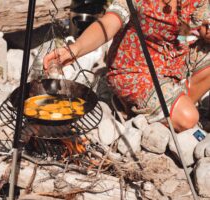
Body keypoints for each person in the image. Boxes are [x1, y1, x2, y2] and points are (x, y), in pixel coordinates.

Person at [43, 0, 210, 132]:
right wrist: (75, 49)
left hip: (174, 58)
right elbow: (110, 22)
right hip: (136, 68)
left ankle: (172, 103)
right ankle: (137, 109)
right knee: (188, 118)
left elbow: (200, 24)